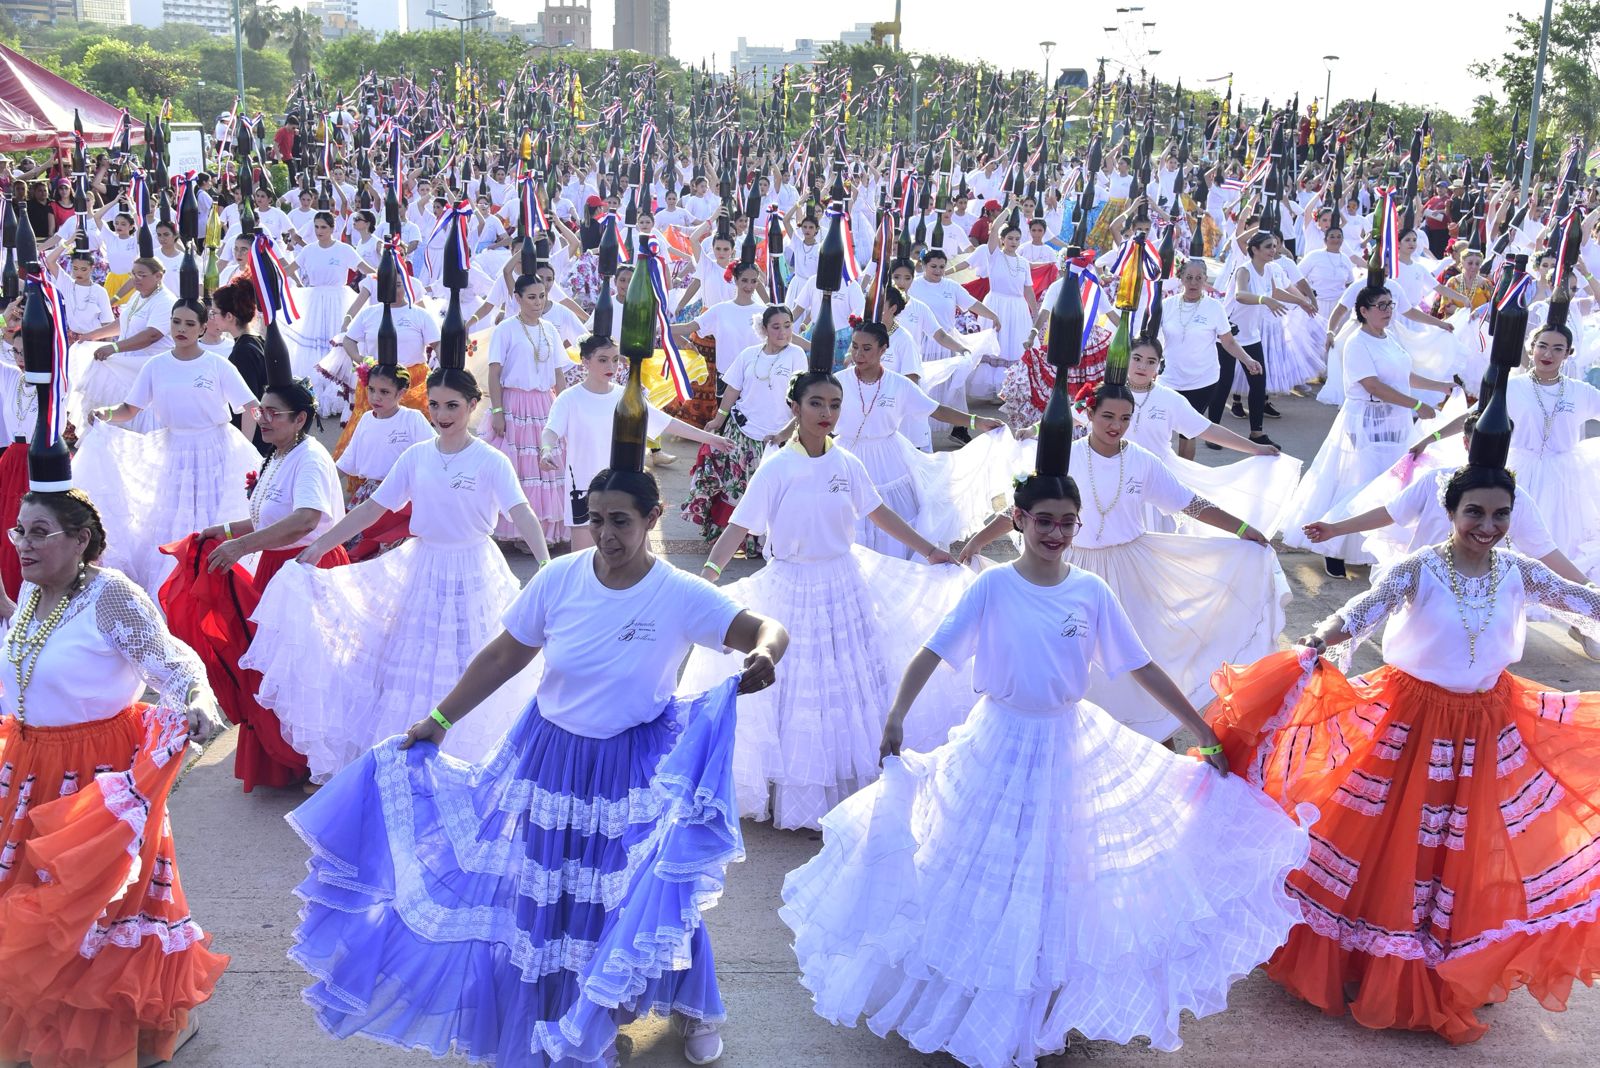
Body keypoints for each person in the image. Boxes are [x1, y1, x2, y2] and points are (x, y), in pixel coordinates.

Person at [780, 384, 1309, 1064]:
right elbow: (933, 651)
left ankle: (1041, 988)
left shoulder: (1090, 591)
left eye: (1066, 524)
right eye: (1043, 522)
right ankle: (976, 978)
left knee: (1056, 861)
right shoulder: (995, 586)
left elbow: (1141, 668)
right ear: (1021, 521)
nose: (1055, 534)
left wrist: (1199, 728)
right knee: (982, 856)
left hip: (1065, 739)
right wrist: (897, 714)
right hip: (998, 737)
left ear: (1076, 529)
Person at [285, 462, 789, 1067]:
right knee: (545, 887)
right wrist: (438, 722)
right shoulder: (560, 578)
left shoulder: (679, 593)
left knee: (643, 888)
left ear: (654, 518)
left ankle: (695, 1005)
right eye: (596, 520)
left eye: (621, 521)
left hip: (633, 763)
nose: (606, 534)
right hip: (549, 756)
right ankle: (562, 1007)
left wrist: (763, 651)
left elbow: (766, 627)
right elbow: (504, 655)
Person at [1208, 434, 1600, 1044]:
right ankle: (1366, 958)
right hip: (1409, 717)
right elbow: (1360, 612)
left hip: (1488, 722)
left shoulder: (1520, 573)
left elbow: (1583, 601)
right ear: (1450, 511)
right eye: (1475, 512)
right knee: (1384, 836)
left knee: (1462, 843)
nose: (1488, 525)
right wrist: (1314, 647)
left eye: (1500, 514)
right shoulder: (1419, 569)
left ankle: (1450, 958)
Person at [0, 333, 228, 1067]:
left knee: (95, 913)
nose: (22, 545)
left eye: (37, 533)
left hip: (99, 777)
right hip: (26, 766)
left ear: (80, 537)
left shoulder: (112, 598)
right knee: (32, 907)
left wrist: (194, 702)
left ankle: (135, 1025)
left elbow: (174, 659)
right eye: (16, 530)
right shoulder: (32, 597)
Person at [681, 366, 976, 830]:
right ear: (795, 408)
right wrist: (709, 576)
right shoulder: (778, 466)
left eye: (834, 405)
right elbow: (739, 526)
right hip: (790, 586)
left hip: (845, 582)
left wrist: (930, 551)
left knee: (851, 683)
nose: (826, 413)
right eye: (816, 403)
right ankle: (792, 793)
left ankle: (851, 783)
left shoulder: (847, 463)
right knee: (795, 688)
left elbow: (879, 514)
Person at [243, 367, 551, 785]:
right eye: (437, 405)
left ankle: (464, 759)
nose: (443, 415)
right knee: (412, 655)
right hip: (422, 566)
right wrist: (318, 546)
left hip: (475, 568)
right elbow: (373, 509)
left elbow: (522, 513)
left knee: (471, 653)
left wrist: (548, 567)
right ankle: (404, 762)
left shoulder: (491, 461)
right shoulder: (417, 456)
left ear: (473, 406)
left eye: (453, 406)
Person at [958, 380, 1281, 740]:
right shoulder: (1065, 455)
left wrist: (1241, 529)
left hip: (1132, 567)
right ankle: (1079, 734)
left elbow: (1190, 502)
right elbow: (1024, 507)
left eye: (1125, 418)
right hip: (1071, 566)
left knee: (1139, 653)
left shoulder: (1142, 461)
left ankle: (1154, 733)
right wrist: (977, 540)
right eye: (1108, 416)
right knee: (1073, 654)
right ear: (1089, 413)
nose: (1116, 425)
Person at [72, 297, 262, 598]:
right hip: (174, 449)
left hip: (217, 449)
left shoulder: (217, 365)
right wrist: (105, 414)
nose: (181, 329)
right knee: (175, 514)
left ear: (202, 328)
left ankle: (216, 586)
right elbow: (129, 409)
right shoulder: (156, 366)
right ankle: (176, 589)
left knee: (213, 515)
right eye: (176, 322)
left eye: (189, 324)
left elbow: (251, 405)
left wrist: (267, 434)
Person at [1280, 283, 1457, 577]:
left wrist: (1440, 386)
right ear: (1363, 311)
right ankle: (1334, 546)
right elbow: (1372, 385)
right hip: (1367, 419)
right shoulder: (1357, 343)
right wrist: (1416, 405)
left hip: (1396, 421)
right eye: (1381, 306)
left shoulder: (1388, 338)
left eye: (1391, 304)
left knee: (1390, 482)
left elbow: (1403, 375)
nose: (1388, 310)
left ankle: (1373, 546)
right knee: (1360, 480)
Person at [542, 334, 731, 551]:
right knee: (583, 563)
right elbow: (551, 431)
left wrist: (712, 439)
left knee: (640, 560)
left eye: (615, 359)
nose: (611, 366)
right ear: (585, 361)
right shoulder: (569, 398)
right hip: (583, 489)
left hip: (624, 486)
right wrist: (546, 451)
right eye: (602, 359)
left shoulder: (627, 396)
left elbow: (666, 422)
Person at [835, 322, 1000, 560]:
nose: (859, 355)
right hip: (846, 456)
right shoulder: (838, 382)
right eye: (855, 347)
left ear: (883, 350)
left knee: (891, 521)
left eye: (867, 348)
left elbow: (936, 410)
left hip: (888, 459)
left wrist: (976, 421)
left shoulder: (898, 384)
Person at [683, 304, 806, 547]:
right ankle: (730, 542)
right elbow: (732, 389)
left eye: (788, 326)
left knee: (766, 493)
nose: (782, 332)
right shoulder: (749, 354)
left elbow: (801, 398)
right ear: (764, 329)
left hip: (774, 439)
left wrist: (785, 432)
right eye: (776, 327)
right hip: (742, 430)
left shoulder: (796, 355)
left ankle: (761, 543)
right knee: (735, 488)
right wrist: (719, 418)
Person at [483, 275, 568, 546]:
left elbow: (559, 373)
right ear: (517, 298)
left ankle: (545, 531)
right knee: (519, 467)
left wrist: (564, 408)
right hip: (514, 404)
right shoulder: (505, 329)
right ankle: (519, 531)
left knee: (547, 469)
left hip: (545, 403)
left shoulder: (550, 329)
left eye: (542, 296)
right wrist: (497, 410)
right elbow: (494, 373)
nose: (538, 302)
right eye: (531, 297)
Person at [1156, 258, 1262, 459]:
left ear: (1205, 280)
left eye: (1199, 278)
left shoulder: (1214, 308)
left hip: (1202, 380)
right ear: (1181, 279)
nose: (1193, 283)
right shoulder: (1167, 305)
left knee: (1188, 432)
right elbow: (1152, 339)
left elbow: (1228, 342)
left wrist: (1248, 361)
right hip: (1170, 379)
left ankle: (1184, 480)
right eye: (1189, 278)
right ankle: (1162, 473)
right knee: (1162, 429)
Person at [334, 362, 434, 561]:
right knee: (355, 551)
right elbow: (347, 461)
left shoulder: (412, 419)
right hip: (369, 495)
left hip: (404, 497)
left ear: (401, 393)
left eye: (384, 392)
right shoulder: (366, 420)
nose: (375, 397)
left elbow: (432, 456)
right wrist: (323, 479)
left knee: (394, 555)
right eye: (371, 390)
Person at [77, 258, 174, 430]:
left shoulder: (165, 301)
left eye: (142, 275)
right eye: (133, 274)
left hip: (148, 367)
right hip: (127, 366)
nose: (136, 279)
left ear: (158, 276)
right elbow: (123, 323)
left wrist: (114, 347)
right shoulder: (138, 295)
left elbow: (151, 335)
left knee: (142, 416)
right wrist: (93, 336)